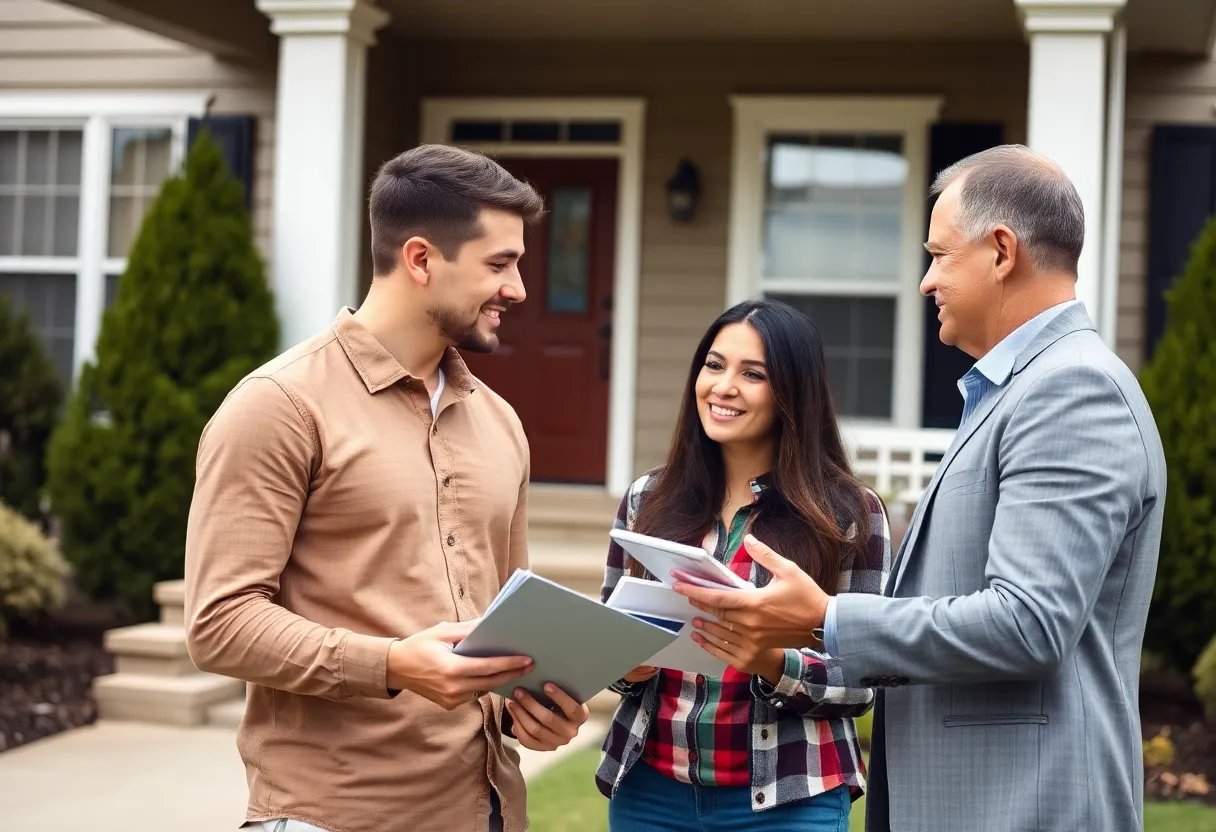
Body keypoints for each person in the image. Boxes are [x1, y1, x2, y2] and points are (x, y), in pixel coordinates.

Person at [672, 145, 1167, 832]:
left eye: (939, 255)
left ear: (1001, 251)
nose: (926, 281)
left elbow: (1029, 625)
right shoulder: (1015, 391)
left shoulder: (1071, 392)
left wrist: (825, 618)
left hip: (1026, 803)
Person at [183, 144, 589, 832]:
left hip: (486, 811)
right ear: (422, 259)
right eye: (500, 264)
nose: (519, 289)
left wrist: (540, 708)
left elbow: (511, 621)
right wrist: (392, 663)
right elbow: (219, 624)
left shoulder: (500, 423)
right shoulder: (279, 406)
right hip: (336, 814)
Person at [594, 299, 892, 831]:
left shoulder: (850, 513)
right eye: (714, 365)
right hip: (651, 796)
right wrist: (626, 662)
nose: (723, 387)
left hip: (789, 800)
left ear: (792, 393)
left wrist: (772, 661)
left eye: (752, 374)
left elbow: (864, 679)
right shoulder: (648, 498)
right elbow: (606, 636)